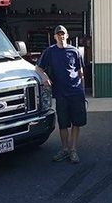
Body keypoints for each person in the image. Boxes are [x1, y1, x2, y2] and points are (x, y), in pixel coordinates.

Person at [35, 25, 86, 164]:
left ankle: (73, 150)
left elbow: (81, 73)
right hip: (61, 94)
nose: (61, 36)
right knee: (63, 124)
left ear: (67, 36)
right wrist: (45, 78)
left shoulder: (74, 51)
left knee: (77, 122)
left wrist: (83, 92)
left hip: (76, 92)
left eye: (63, 34)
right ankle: (64, 149)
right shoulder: (50, 52)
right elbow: (38, 68)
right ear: (55, 37)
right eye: (58, 35)